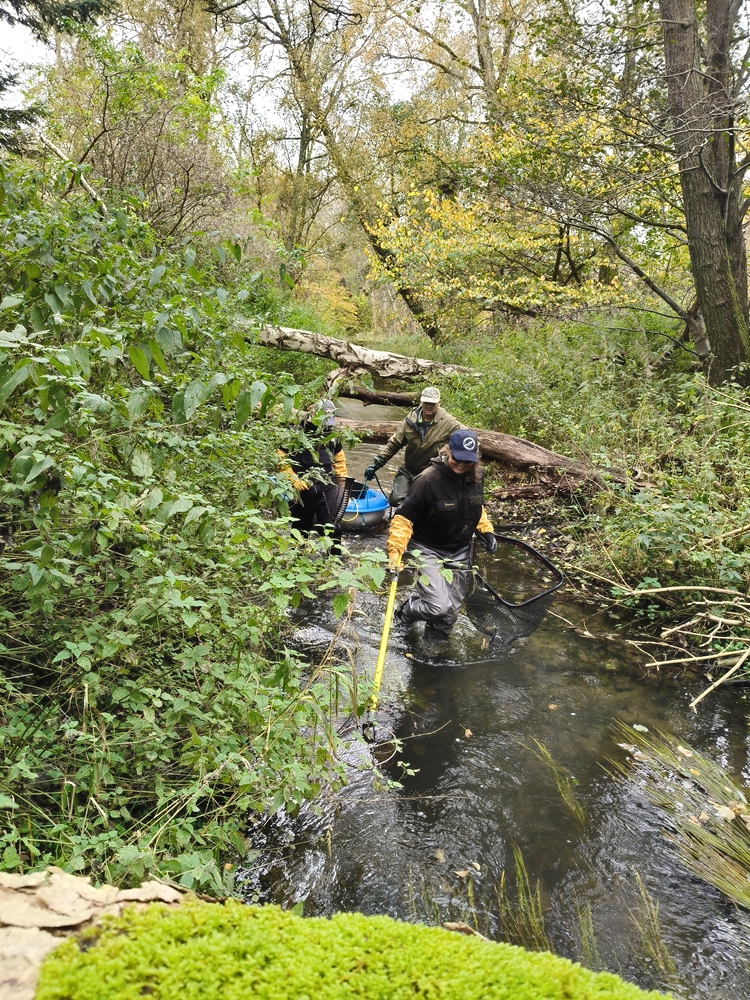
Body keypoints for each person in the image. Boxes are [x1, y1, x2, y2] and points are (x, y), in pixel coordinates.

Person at [385, 429, 497, 640]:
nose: (462, 465)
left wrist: (487, 530)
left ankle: (431, 649)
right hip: (427, 548)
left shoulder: (477, 476)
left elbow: (475, 507)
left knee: (450, 614)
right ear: (448, 451)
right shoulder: (427, 480)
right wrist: (395, 552)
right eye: (457, 459)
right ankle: (407, 611)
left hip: (460, 549)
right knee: (438, 606)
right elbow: (403, 518)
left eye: (467, 461)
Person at [363, 387, 461, 506]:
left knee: (428, 504)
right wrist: (376, 464)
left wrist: (449, 453)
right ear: (421, 401)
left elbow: (467, 439)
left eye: (432, 403)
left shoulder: (449, 422)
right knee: (395, 500)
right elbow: (394, 444)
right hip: (409, 469)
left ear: (439, 403)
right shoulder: (410, 419)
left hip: (433, 472)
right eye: (426, 402)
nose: (428, 406)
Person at [279, 399, 349, 541]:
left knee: (333, 530)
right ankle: (299, 553)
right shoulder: (296, 432)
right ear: (313, 415)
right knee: (300, 531)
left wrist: (342, 490)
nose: (325, 425)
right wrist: (292, 477)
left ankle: (334, 556)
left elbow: (340, 462)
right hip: (302, 491)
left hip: (327, 490)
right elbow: (281, 457)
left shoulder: (333, 435)